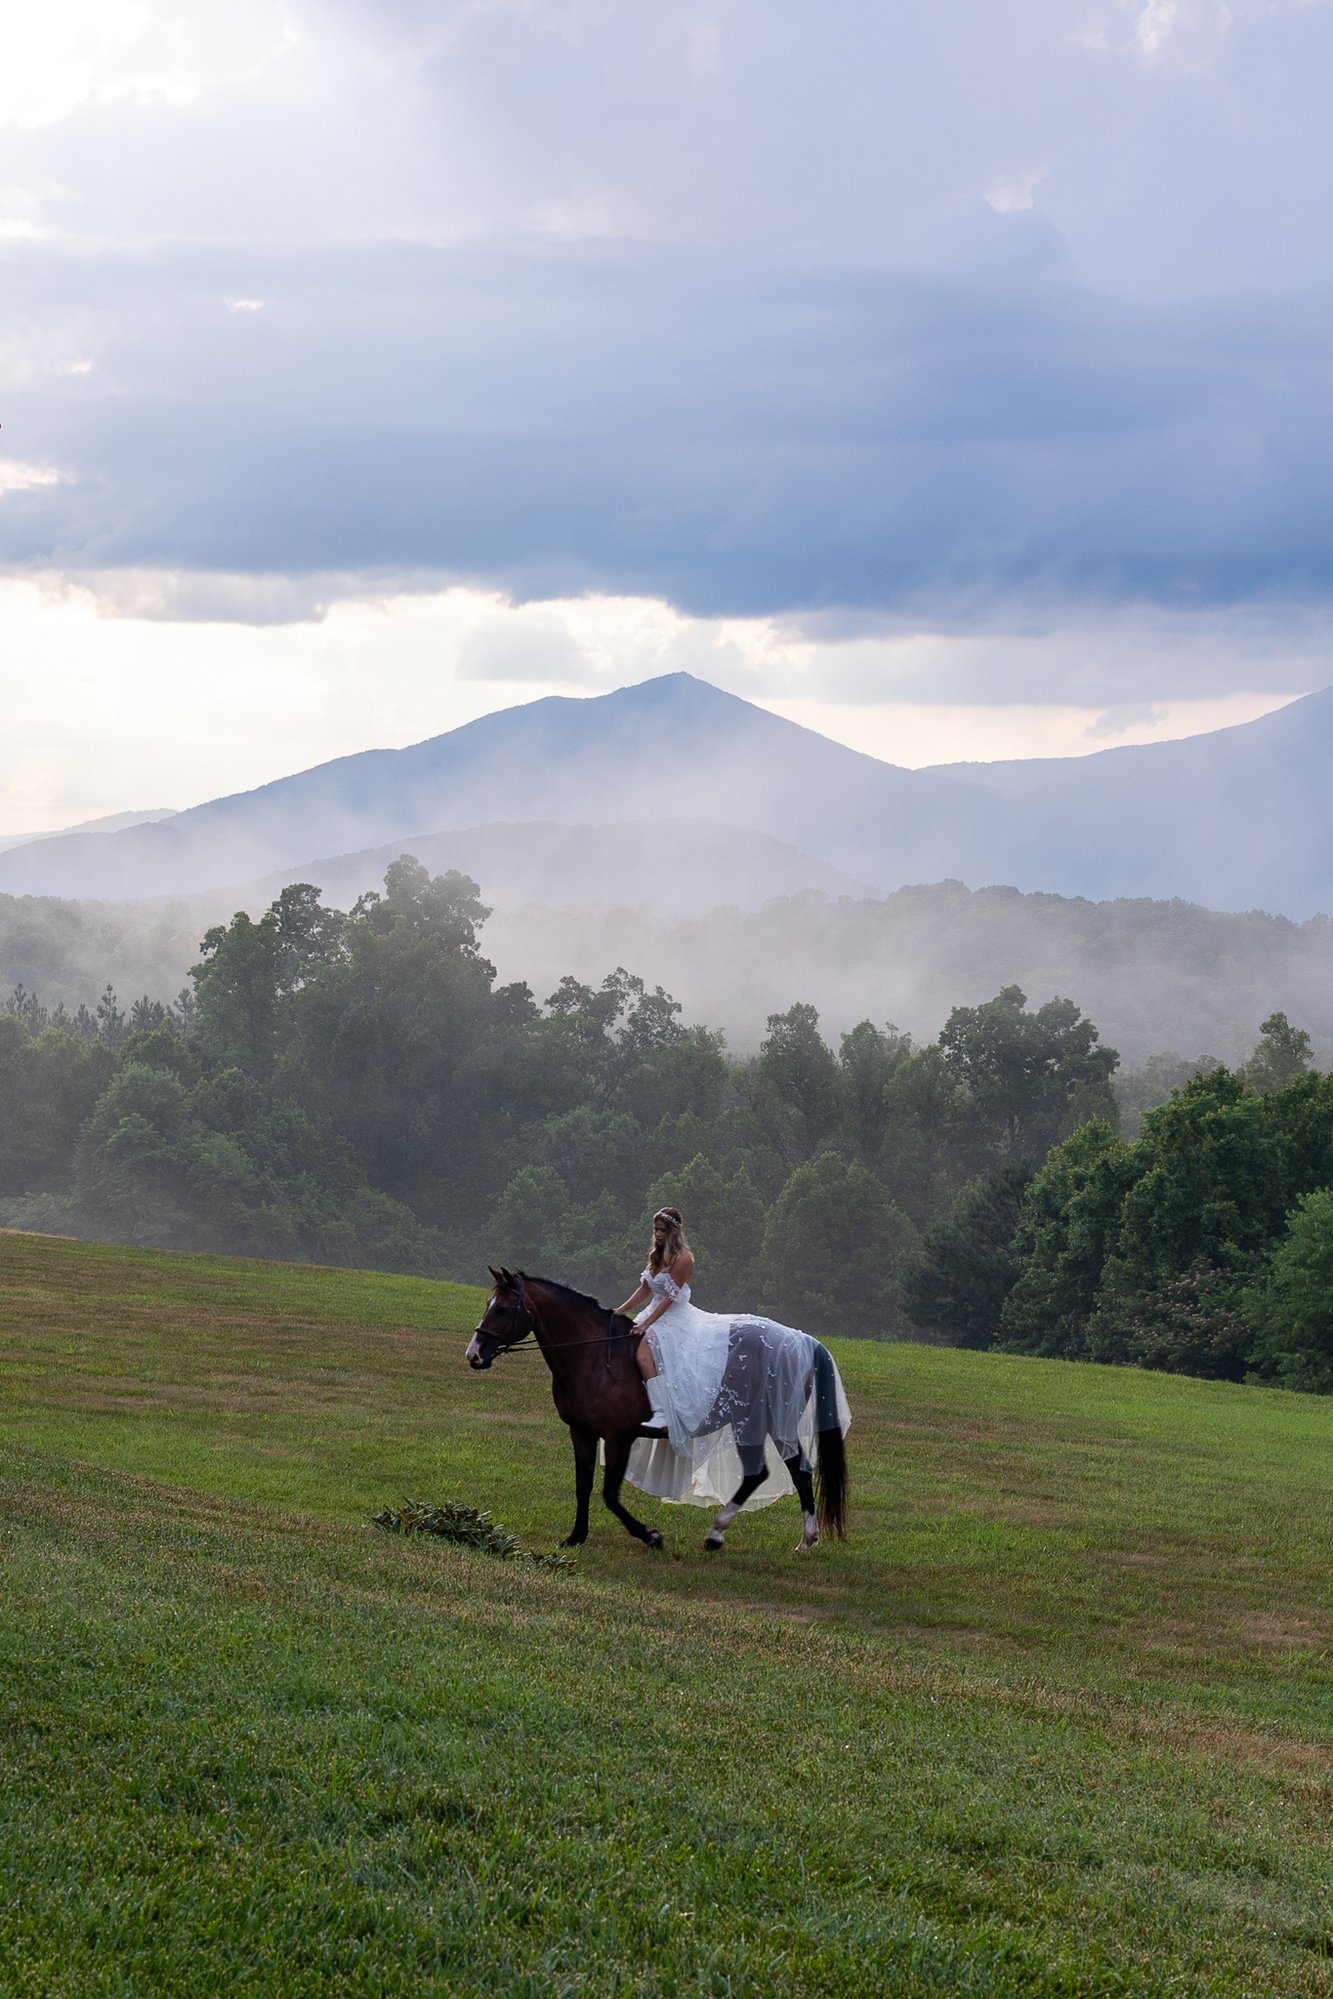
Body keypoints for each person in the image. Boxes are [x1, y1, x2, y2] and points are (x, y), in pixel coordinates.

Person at [613, 1205, 851, 1512]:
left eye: (661, 1231)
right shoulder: (657, 1255)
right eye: (654, 1230)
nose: (656, 1236)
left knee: (645, 1348)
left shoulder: (683, 1258)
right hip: (655, 1313)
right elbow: (645, 1290)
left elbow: (670, 1298)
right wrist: (620, 1311)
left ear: (674, 1232)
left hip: (674, 1317)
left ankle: (661, 1410)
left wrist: (646, 1324)